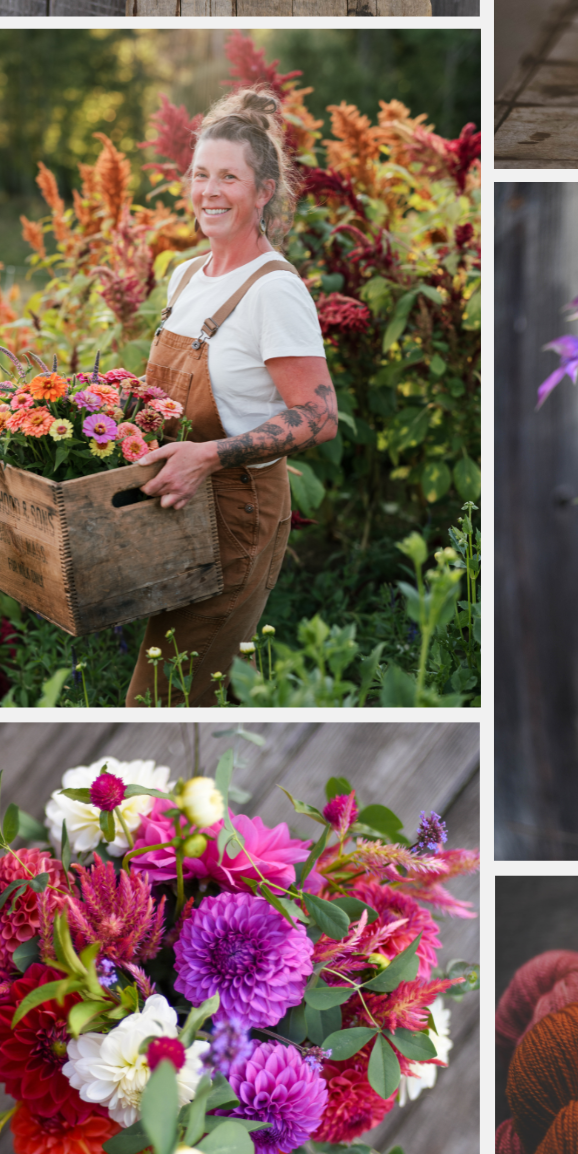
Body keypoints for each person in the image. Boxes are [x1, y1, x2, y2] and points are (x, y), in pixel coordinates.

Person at [123, 89, 335, 705]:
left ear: (263, 191)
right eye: (201, 175)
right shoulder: (187, 275)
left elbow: (319, 416)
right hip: (175, 508)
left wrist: (209, 456)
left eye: (229, 178)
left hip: (235, 516)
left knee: (159, 698)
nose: (209, 192)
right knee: (174, 684)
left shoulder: (274, 291)